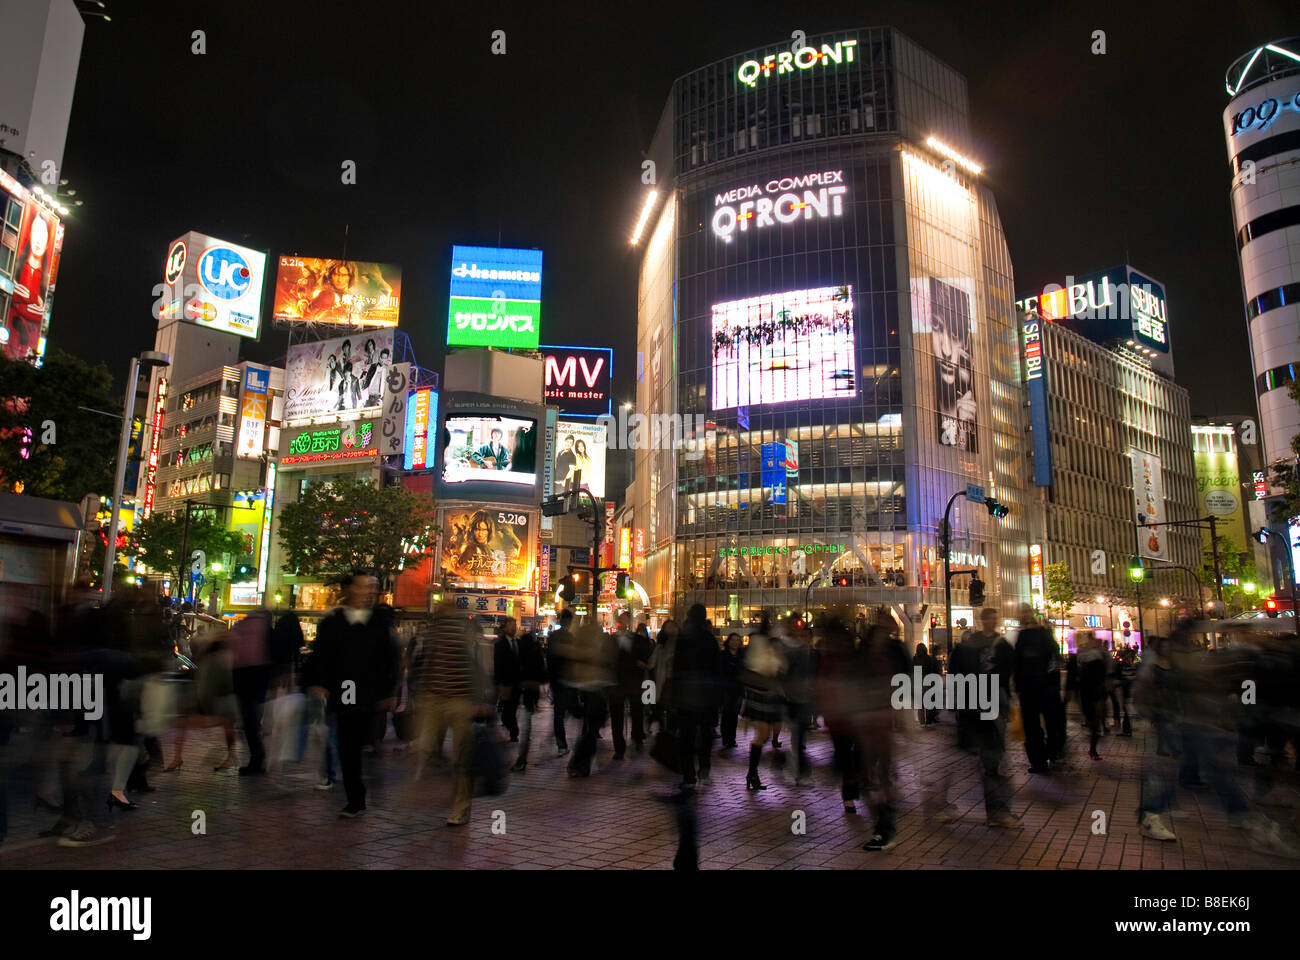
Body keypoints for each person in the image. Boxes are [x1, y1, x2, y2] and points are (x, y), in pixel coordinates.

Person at [301, 570, 400, 818]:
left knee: (365, 740)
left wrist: (389, 691)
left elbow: (391, 659)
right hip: (345, 689)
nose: (369, 592)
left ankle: (368, 783)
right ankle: (355, 798)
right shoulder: (334, 622)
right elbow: (320, 657)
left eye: (373, 587)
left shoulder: (379, 622)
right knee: (349, 742)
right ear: (349, 589)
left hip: (373, 692)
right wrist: (317, 683)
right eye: (364, 586)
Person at [926, 607, 1016, 827]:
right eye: (988, 618)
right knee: (967, 757)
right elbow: (958, 673)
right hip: (973, 707)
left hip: (988, 706)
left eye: (994, 618)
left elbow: (1007, 675)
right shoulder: (971, 645)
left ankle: (995, 811)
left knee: (989, 759)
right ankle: (991, 811)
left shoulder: (1001, 645)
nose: (991, 622)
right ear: (982, 620)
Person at [407, 598, 492, 825]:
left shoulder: (466, 630)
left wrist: (481, 698)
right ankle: (415, 796)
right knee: (422, 747)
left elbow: (480, 666)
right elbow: (427, 662)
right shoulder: (434, 630)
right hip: (434, 697)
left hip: (460, 700)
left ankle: (461, 807)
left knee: (461, 758)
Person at [857, 607, 911, 849]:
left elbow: (906, 678)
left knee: (882, 770)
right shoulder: (864, 649)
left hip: (883, 715)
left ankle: (884, 827)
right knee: (869, 773)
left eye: (887, 623)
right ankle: (883, 818)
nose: (884, 627)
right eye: (880, 622)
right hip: (864, 716)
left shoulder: (895, 650)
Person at [671, 604, 720, 789]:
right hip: (706, 693)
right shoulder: (710, 639)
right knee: (706, 735)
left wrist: (675, 694)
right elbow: (716, 668)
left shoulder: (683, 639)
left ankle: (689, 775)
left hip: (686, 693)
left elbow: (676, 668)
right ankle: (704, 769)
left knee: (687, 736)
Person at [1014, 605, 1065, 772]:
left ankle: (1046, 755)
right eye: (1022, 613)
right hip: (1032, 688)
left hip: (1043, 686)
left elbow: (1054, 657)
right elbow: (1018, 663)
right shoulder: (1022, 635)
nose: (1025, 616)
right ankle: (1039, 760)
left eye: (1027, 612)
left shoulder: (1042, 633)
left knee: (1047, 724)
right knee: (1033, 726)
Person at [740, 613, 786, 791]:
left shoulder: (763, 642)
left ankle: (752, 774)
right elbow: (767, 666)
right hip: (761, 691)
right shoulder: (762, 643)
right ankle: (752, 774)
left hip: (763, 692)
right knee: (763, 734)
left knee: (763, 734)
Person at [227, 608, 273, 776]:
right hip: (258, 678)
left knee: (249, 721)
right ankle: (258, 757)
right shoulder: (266, 630)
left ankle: (257, 757)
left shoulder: (240, 626)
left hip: (242, 678)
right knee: (252, 719)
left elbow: (231, 649)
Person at [609, 611, 652, 759]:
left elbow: (646, 657)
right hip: (617, 683)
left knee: (636, 712)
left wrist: (643, 663)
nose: (624, 622)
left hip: (633, 682)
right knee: (617, 716)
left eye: (626, 619)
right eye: (621, 619)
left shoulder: (638, 640)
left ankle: (637, 738)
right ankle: (619, 748)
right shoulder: (611, 640)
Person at [782, 617, 818, 784]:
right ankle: (799, 771)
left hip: (806, 698)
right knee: (798, 734)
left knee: (800, 735)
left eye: (806, 636)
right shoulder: (792, 652)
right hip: (793, 698)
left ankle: (791, 765)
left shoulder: (813, 654)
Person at [1077, 631, 1108, 760]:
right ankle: (1093, 750)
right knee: (1094, 724)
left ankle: (1093, 749)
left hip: (1090, 694)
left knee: (1094, 724)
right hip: (1093, 694)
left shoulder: (1085, 659)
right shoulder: (1094, 659)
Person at [548, 610, 575, 756]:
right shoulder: (570, 637)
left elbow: (550, 660)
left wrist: (551, 681)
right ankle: (564, 743)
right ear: (569, 622)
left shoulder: (553, 636)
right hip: (569, 681)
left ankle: (561, 744)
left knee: (558, 714)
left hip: (557, 681)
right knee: (570, 711)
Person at [494, 618, 523, 743]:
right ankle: (514, 731)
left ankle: (513, 732)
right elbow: (498, 664)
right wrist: (499, 683)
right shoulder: (500, 643)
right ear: (504, 628)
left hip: (517, 683)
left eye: (514, 625)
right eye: (511, 625)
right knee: (507, 712)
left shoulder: (518, 642)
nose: (513, 627)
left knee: (513, 708)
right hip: (506, 683)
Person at [718, 633, 744, 750]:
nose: (735, 642)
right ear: (728, 641)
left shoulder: (741, 656)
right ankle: (726, 738)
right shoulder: (723, 655)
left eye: (737, 640)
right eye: (733, 640)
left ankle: (732, 738)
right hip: (726, 687)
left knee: (734, 714)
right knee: (726, 713)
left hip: (738, 688)